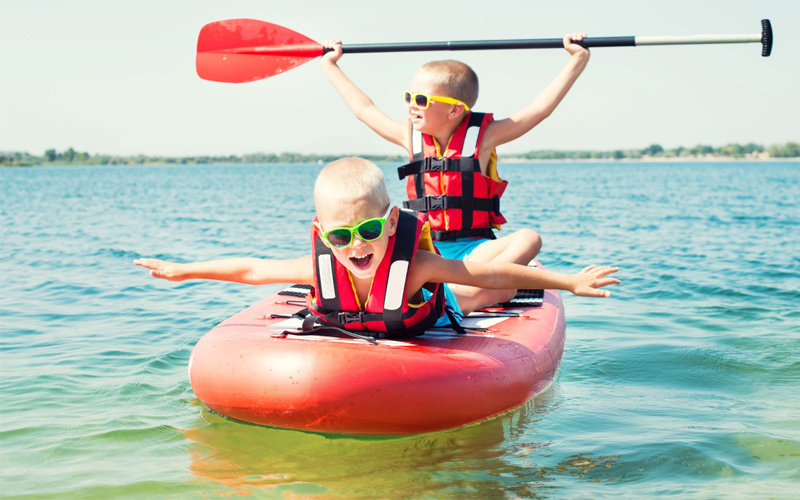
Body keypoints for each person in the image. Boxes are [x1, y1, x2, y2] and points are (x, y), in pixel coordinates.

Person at [134, 158, 619, 339]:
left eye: (368, 230)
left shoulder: (418, 266)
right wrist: (184, 270)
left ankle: (527, 240)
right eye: (341, 237)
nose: (356, 245)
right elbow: (253, 269)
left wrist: (569, 282)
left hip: (453, 297)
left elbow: (491, 280)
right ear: (323, 233)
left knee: (524, 246)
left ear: (391, 223)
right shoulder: (321, 268)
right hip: (405, 301)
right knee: (496, 255)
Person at [319, 34, 591, 309]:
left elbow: (539, 110)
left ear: (454, 110)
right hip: (425, 250)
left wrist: (577, 59)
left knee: (530, 239)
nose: (412, 105)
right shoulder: (409, 137)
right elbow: (364, 109)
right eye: (409, 96)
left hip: (475, 250)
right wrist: (330, 66)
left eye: (422, 99)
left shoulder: (484, 138)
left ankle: (474, 290)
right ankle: (475, 292)